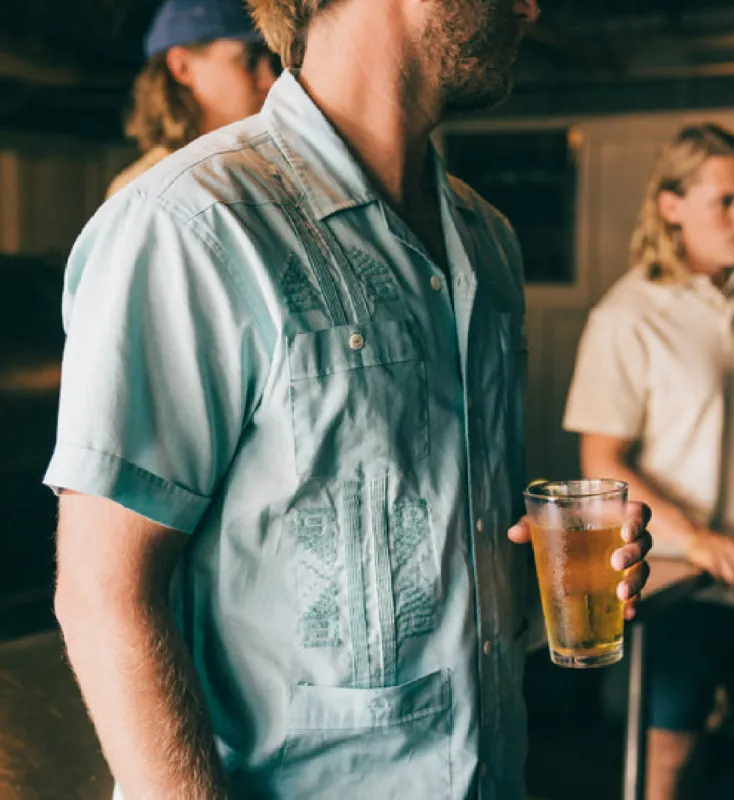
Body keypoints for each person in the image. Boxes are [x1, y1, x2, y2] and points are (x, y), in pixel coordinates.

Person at [46, 0, 652, 797]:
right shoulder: (189, 225)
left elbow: (440, 537)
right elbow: (102, 595)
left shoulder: (487, 239)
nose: (532, 7)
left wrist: (553, 568)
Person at [564, 124, 734, 800]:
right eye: (726, 201)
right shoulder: (628, 315)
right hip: (681, 579)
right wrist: (696, 537)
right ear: (672, 205)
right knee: (666, 754)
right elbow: (600, 461)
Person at [106, 0, 280, 198]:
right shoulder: (145, 191)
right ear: (182, 67)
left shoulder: (266, 167)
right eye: (250, 61)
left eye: (270, 62)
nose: (270, 81)